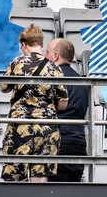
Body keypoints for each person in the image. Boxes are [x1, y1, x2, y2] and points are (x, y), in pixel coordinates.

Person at [0, 25, 68, 182]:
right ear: (41, 45)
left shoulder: (16, 62)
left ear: (23, 45)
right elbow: (63, 103)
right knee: (41, 176)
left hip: (20, 125)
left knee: (15, 177)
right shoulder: (54, 67)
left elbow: (3, 87)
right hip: (47, 126)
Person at [45, 38, 90, 182]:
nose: (45, 56)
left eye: (47, 52)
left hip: (57, 143)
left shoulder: (52, 80)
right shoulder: (83, 82)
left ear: (55, 56)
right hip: (78, 144)